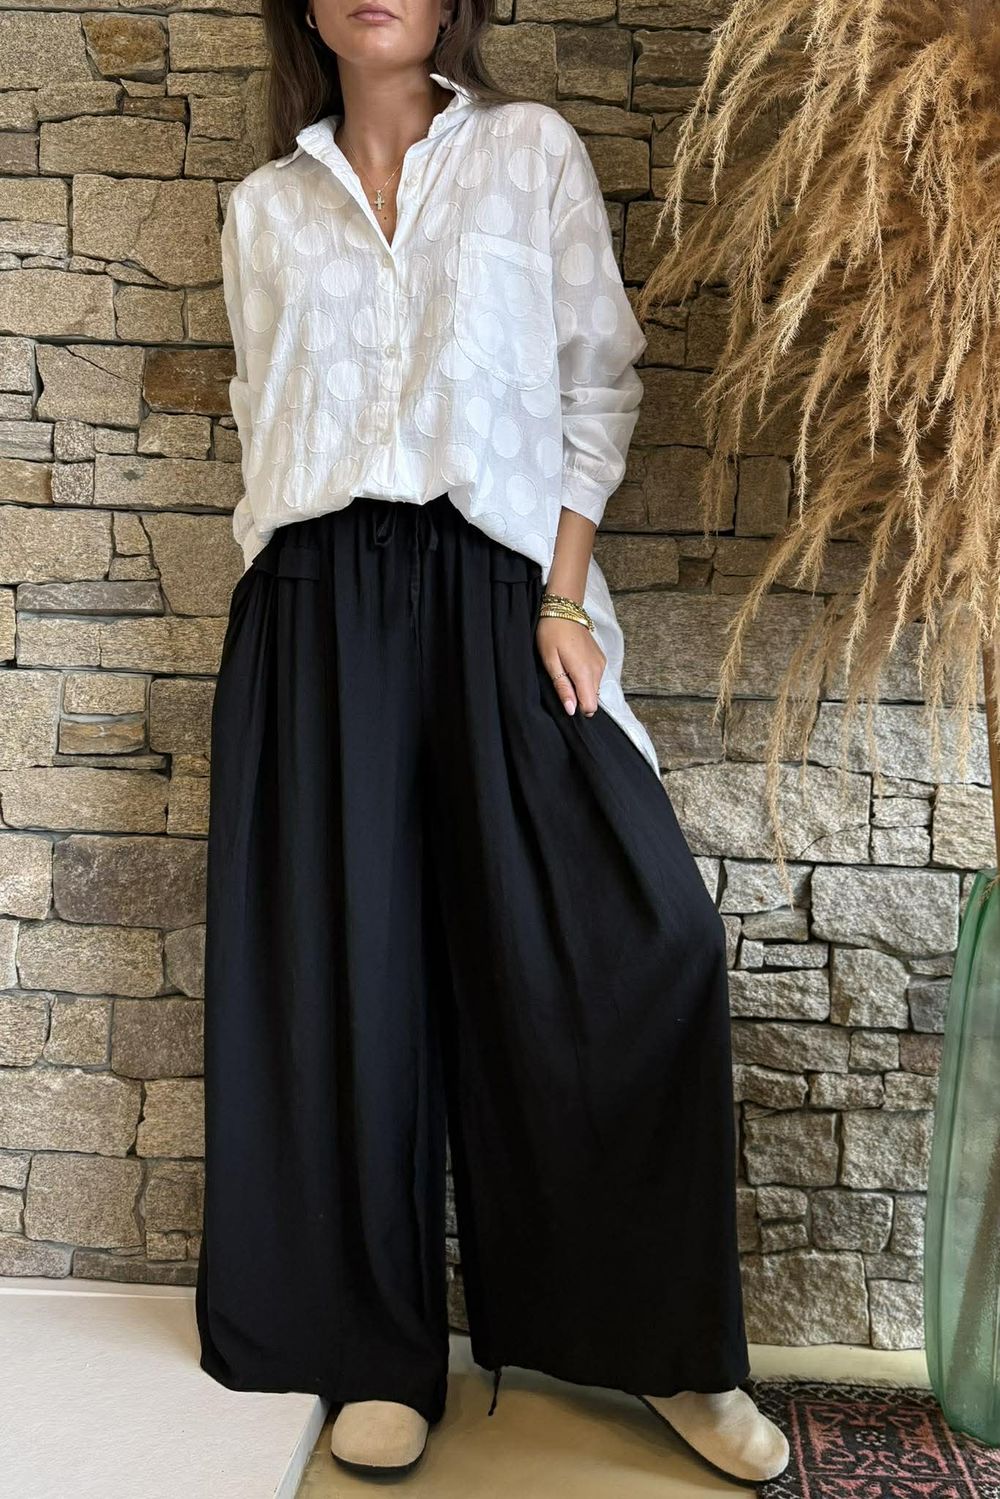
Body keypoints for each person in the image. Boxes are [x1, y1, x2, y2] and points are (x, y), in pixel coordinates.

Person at [194, 0, 790, 1484]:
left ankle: (664, 1347)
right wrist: (281, 632)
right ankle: (371, 1348)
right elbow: (261, 414)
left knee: (638, 939)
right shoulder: (265, 209)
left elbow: (598, 378)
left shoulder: (528, 152)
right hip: (317, 602)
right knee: (352, 980)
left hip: (501, 589)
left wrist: (563, 598)